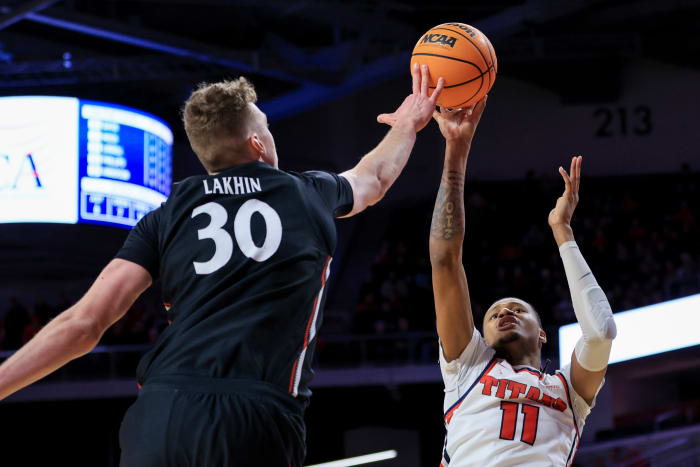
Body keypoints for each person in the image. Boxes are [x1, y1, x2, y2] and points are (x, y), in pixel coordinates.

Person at [0, 64, 444, 466]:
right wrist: (408, 123)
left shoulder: (166, 213)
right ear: (257, 141)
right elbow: (374, 178)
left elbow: (84, 323)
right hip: (252, 416)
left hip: (160, 412)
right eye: (267, 128)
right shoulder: (306, 193)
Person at [428, 100, 617, 466]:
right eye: (494, 313)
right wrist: (456, 151)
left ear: (543, 334)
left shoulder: (570, 392)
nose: (504, 313)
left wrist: (562, 231)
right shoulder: (467, 366)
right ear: (479, 336)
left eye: (517, 309)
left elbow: (601, 332)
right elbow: (444, 261)